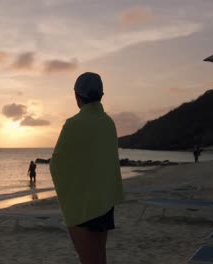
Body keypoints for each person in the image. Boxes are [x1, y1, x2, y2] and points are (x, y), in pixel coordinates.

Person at [50, 72, 124, 264]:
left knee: (88, 259)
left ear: (77, 97)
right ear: (101, 95)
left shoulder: (73, 124)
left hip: (82, 205)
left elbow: (57, 164)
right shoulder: (109, 123)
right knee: (100, 255)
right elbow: (106, 161)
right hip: (105, 200)